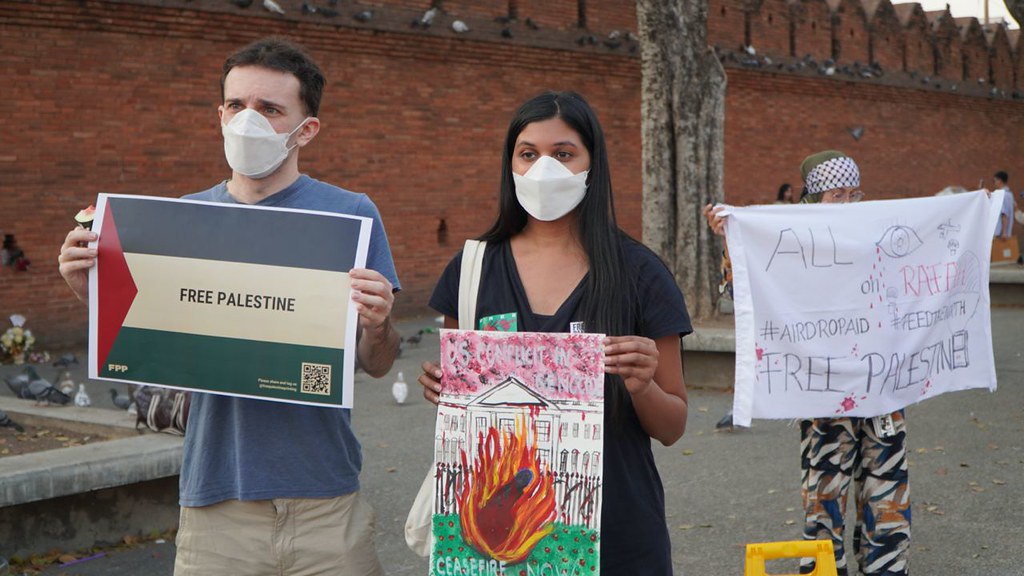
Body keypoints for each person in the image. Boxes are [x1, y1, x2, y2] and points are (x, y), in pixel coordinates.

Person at [57, 37, 400, 576]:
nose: (248, 120)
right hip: (216, 505)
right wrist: (91, 293)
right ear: (219, 114)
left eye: (269, 109)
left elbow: (377, 364)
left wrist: (379, 326)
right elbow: (152, 349)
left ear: (304, 129)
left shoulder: (350, 218)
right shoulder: (184, 219)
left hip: (326, 503)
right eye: (236, 105)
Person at [418, 91, 691, 574]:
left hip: (619, 540)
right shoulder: (472, 269)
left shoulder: (641, 273)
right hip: (495, 545)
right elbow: (461, 415)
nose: (544, 168)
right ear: (510, 165)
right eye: (528, 154)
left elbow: (672, 427)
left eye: (563, 154)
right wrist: (447, 392)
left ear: (592, 164)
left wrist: (643, 384)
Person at [704, 151, 911, 576]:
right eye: (837, 194)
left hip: (881, 390)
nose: (848, 202)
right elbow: (740, 292)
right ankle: (824, 569)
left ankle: (886, 568)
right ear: (813, 199)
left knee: (886, 493)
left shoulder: (875, 233)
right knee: (824, 496)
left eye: (855, 193)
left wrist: (974, 212)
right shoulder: (790, 240)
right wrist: (732, 241)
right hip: (822, 397)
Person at [992, 170, 1014, 239]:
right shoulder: (1010, 194)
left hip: (999, 233)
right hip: (1004, 232)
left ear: (1000, 180)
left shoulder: (1002, 194)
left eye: (995, 181)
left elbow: (1004, 214)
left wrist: (1004, 233)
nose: (994, 183)